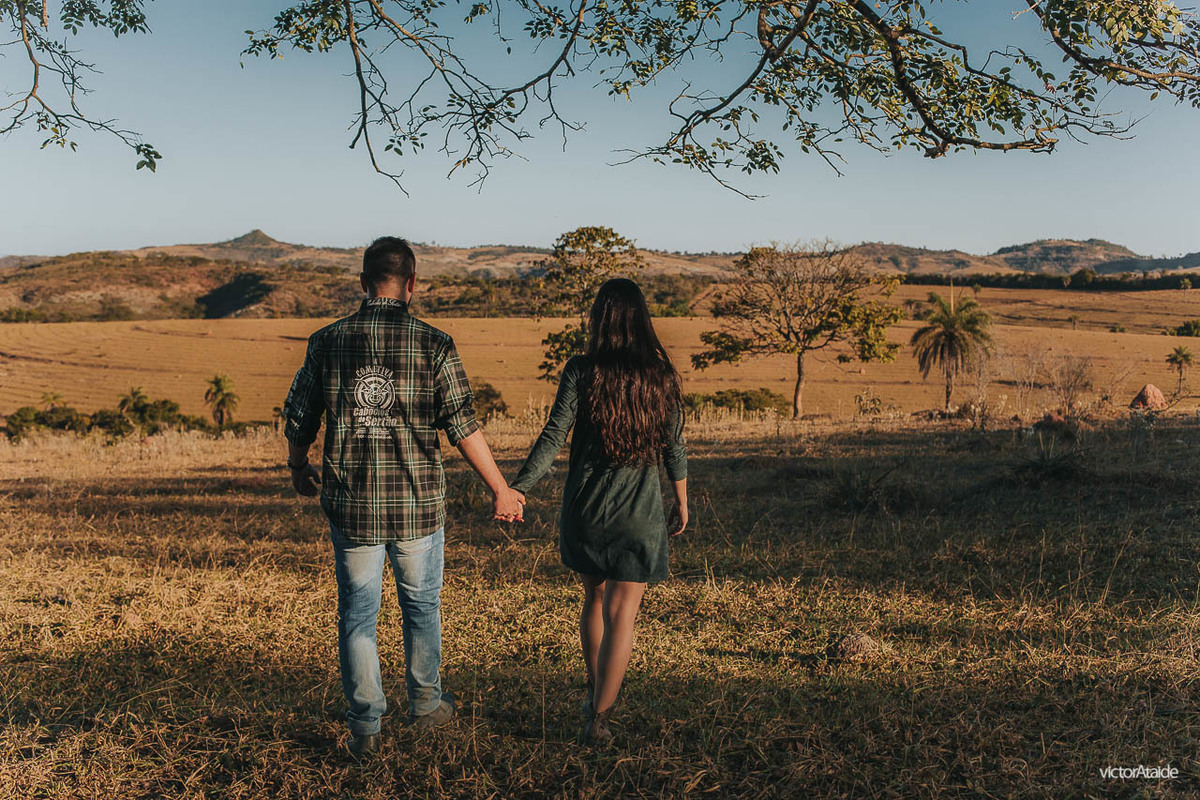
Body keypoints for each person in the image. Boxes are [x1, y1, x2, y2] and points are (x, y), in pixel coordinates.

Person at [282, 236, 524, 758]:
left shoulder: (327, 340)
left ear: (363, 282)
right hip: (418, 509)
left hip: (353, 507)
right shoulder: (434, 343)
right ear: (411, 284)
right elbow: (463, 427)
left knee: (357, 616)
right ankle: (425, 704)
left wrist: (299, 466)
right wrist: (500, 488)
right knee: (421, 607)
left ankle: (365, 727)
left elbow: (300, 416)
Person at [509, 278, 688, 746]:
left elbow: (553, 435)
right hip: (639, 515)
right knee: (623, 613)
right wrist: (682, 501)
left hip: (584, 510)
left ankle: (594, 694)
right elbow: (674, 447)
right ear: (642, 319)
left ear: (599, 320)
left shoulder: (580, 370)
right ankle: (600, 719)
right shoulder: (662, 376)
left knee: (593, 599)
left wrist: (518, 488)